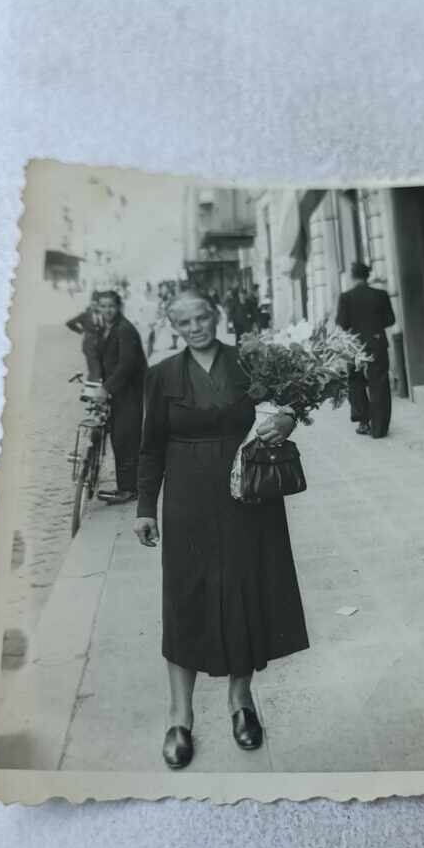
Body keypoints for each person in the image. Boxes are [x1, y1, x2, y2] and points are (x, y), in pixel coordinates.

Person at [134, 291, 308, 769]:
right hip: (188, 501)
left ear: (217, 316)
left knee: (245, 591)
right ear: (175, 326)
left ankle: (241, 702)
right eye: (185, 321)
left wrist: (286, 421)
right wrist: (146, 507)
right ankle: (179, 716)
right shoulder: (162, 376)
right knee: (186, 596)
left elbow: (286, 405)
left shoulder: (251, 362)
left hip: (247, 494)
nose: (196, 327)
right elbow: (150, 449)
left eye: (203, 317)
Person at [94, 291, 147, 504]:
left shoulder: (125, 330)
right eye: (103, 306)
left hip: (130, 392)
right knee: (119, 437)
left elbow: (127, 364)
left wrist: (107, 388)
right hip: (119, 392)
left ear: (119, 307)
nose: (107, 310)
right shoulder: (108, 329)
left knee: (126, 438)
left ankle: (130, 489)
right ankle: (125, 486)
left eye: (111, 306)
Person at [336, 261, 396, 438]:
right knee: (379, 384)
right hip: (377, 343)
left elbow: (342, 323)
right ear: (367, 276)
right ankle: (379, 429)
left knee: (356, 382)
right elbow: (390, 320)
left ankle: (363, 422)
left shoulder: (346, 297)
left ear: (352, 277)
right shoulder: (381, 295)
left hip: (354, 346)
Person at [65, 291, 103, 380]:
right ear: (91, 303)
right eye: (94, 303)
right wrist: (81, 331)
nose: (95, 305)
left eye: (97, 304)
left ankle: (95, 390)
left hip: (102, 347)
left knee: (100, 371)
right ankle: (90, 391)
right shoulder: (85, 315)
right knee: (95, 370)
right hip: (89, 346)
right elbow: (69, 323)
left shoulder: (103, 315)